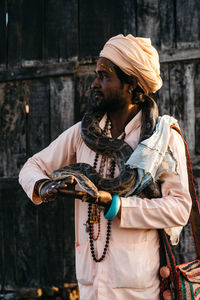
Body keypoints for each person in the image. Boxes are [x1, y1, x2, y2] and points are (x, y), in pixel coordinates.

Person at [19, 34, 192, 300]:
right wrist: (44, 186)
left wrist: (117, 205)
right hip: (91, 287)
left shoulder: (162, 138)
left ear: (132, 84)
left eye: (104, 76)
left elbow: (179, 208)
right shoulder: (81, 133)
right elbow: (31, 167)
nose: (94, 84)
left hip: (140, 290)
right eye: (97, 75)